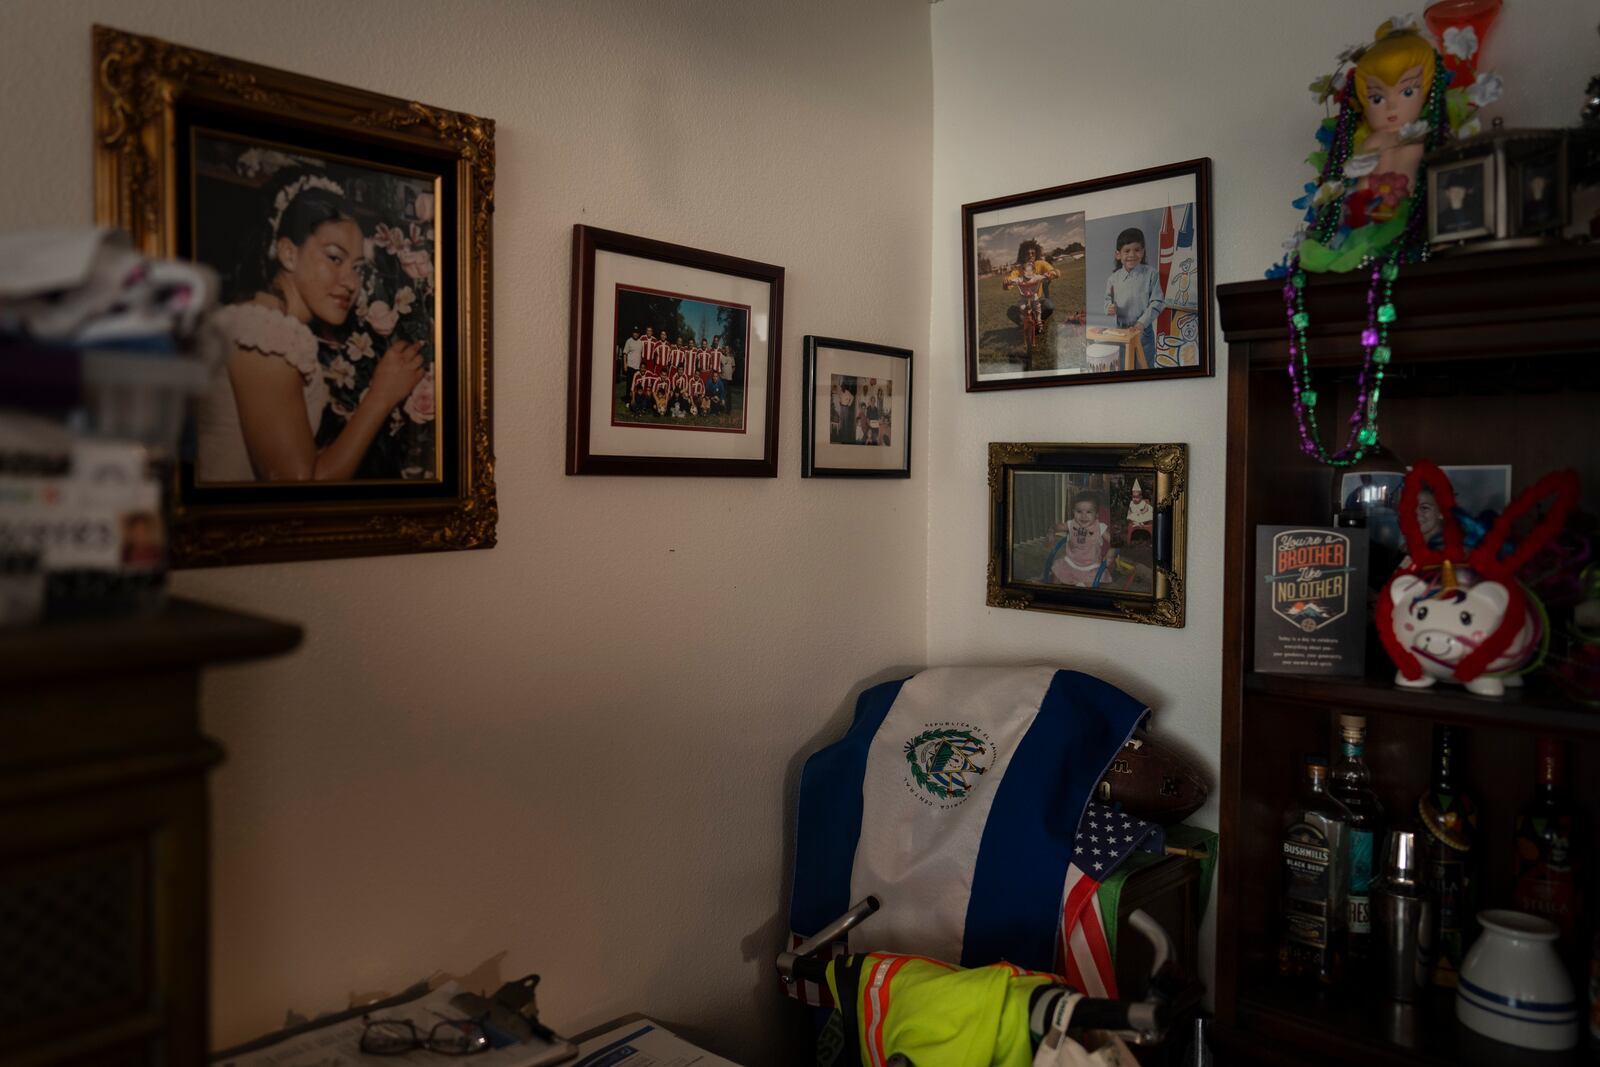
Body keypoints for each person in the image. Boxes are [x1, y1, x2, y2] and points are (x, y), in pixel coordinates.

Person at [197, 170, 423, 482]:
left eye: (357, 268)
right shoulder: (264, 335)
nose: (350, 283)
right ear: (289, 253)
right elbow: (300, 487)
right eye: (334, 258)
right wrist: (381, 396)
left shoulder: (258, 322)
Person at [1103, 227, 1162, 368]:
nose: (1132, 254)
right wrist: (1109, 308)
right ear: (1118, 254)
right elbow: (1107, 300)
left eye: (1137, 250)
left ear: (1143, 252)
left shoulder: (1151, 274)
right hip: (1122, 334)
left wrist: (1141, 323)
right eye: (1127, 251)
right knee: (1125, 368)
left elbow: (1157, 301)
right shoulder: (1113, 279)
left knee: (1145, 368)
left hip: (1143, 334)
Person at [1047, 491, 1111, 587]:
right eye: (1079, 511)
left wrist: (1111, 553)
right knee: (1056, 572)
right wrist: (1051, 533)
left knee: (1091, 586)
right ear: (1073, 512)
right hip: (1070, 562)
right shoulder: (1071, 524)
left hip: (1091, 567)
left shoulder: (1099, 527)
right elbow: (1054, 527)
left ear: (1097, 514)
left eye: (1089, 512)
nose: (1083, 516)